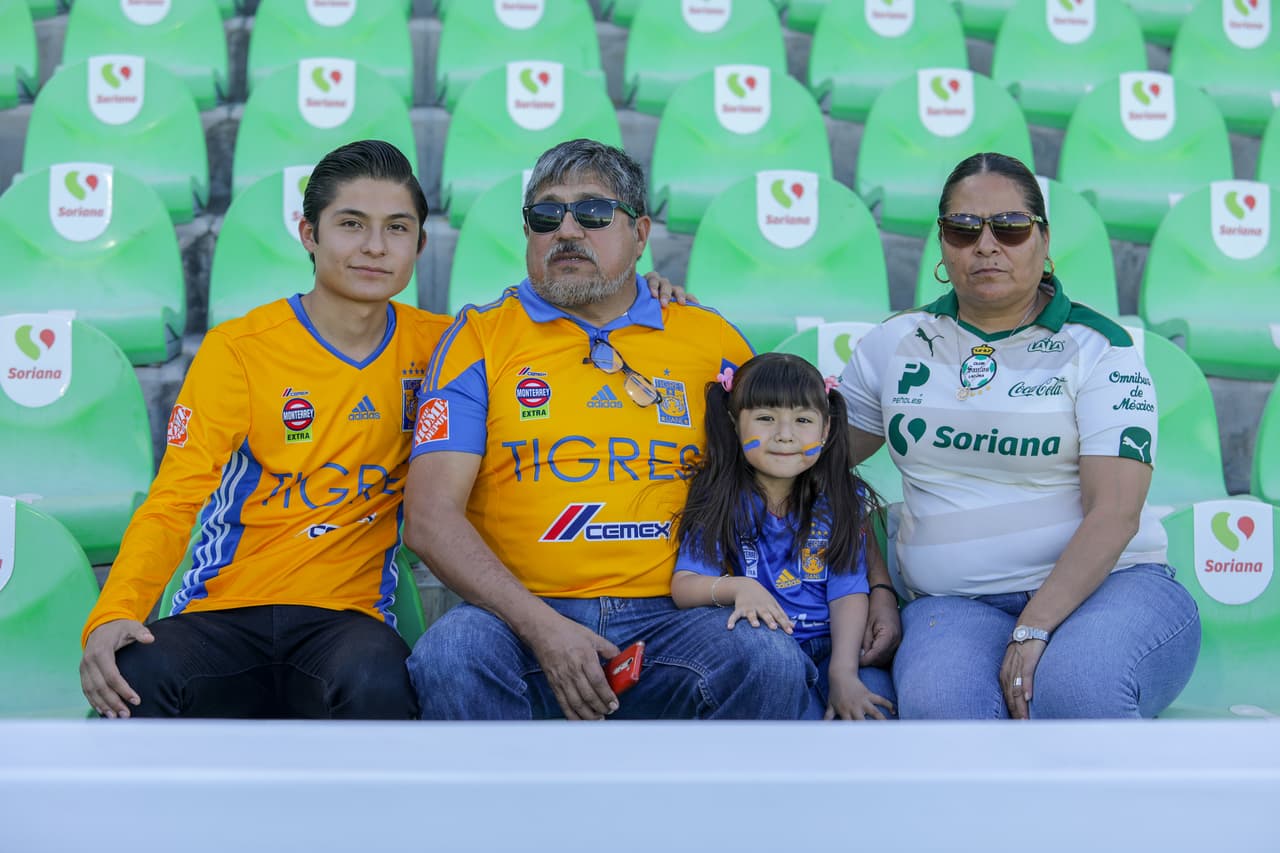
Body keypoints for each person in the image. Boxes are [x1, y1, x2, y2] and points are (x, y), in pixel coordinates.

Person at [402, 138, 819, 720]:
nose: (567, 230)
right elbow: (428, 519)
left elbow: (796, 472)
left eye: (594, 213)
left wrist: (870, 590)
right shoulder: (479, 338)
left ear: (641, 234)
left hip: (677, 618)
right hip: (521, 615)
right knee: (452, 652)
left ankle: (714, 815)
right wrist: (543, 628)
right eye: (546, 215)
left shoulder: (709, 340)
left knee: (767, 660)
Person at [78, 139, 448, 719]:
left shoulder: (444, 348)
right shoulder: (240, 349)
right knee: (135, 680)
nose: (375, 247)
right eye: (351, 224)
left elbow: (545, 333)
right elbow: (174, 501)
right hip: (221, 612)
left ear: (420, 245)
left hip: (348, 619)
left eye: (397, 229)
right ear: (309, 234)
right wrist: (114, 612)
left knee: (380, 683)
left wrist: (646, 296)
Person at [839, 152, 1200, 719]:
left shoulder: (1101, 348)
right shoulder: (894, 344)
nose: (986, 245)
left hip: (1113, 589)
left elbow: (1115, 514)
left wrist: (1034, 627)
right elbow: (810, 466)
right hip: (954, 605)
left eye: (1009, 228)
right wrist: (878, 586)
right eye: (963, 229)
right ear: (941, 243)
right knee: (945, 713)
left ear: (1043, 238)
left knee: (1076, 692)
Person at [671, 352, 896, 720]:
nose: (785, 434)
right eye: (765, 418)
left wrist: (843, 673)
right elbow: (685, 586)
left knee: (873, 717)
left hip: (838, 647)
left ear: (825, 431)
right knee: (795, 734)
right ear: (733, 423)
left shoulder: (842, 497)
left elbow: (848, 591)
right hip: (762, 651)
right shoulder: (718, 497)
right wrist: (739, 587)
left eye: (803, 420)